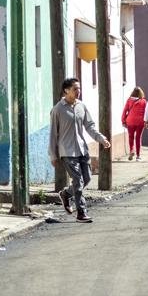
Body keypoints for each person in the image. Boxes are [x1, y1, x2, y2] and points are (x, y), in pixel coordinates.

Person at [48, 77, 110, 224]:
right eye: (75, 89)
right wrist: (53, 155)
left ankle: (65, 194)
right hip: (67, 151)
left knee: (86, 178)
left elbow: (90, 126)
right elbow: (53, 134)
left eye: (79, 88)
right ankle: (81, 212)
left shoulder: (81, 106)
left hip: (82, 149)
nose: (78, 91)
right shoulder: (58, 109)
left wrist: (101, 138)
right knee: (78, 180)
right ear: (66, 90)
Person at [121, 87, 146, 161]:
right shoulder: (143, 101)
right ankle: (138, 156)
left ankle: (131, 150)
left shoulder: (129, 100)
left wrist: (123, 121)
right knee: (138, 138)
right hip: (140, 122)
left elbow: (125, 111)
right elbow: (146, 112)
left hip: (130, 121)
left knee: (131, 137)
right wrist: (147, 121)